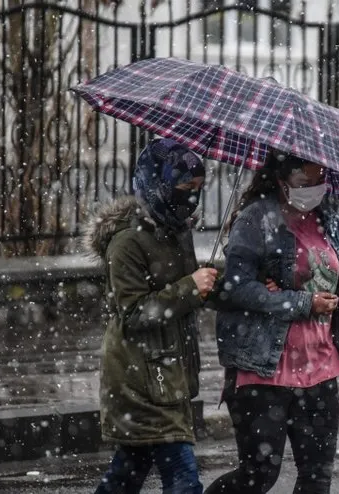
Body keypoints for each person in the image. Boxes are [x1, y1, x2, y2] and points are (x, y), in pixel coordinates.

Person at [205, 150, 339, 494]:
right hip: (264, 367)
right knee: (258, 475)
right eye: (305, 182)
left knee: (317, 477)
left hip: (320, 366)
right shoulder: (255, 219)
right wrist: (300, 302)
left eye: (320, 180)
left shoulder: (327, 220)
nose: (314, 188)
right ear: (282, 180)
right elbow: (238, 289)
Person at [85, 138, 216, 494]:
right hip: (141, 376)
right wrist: (190, 287)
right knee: (183, 478)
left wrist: (213, 286)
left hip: (169, 372)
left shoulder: (177, 231)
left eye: (198, 188)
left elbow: (182, 292)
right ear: (157, 182)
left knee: (128, 471)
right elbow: (134, 312)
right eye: (185, 186)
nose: (191, 196)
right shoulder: (127, 242)